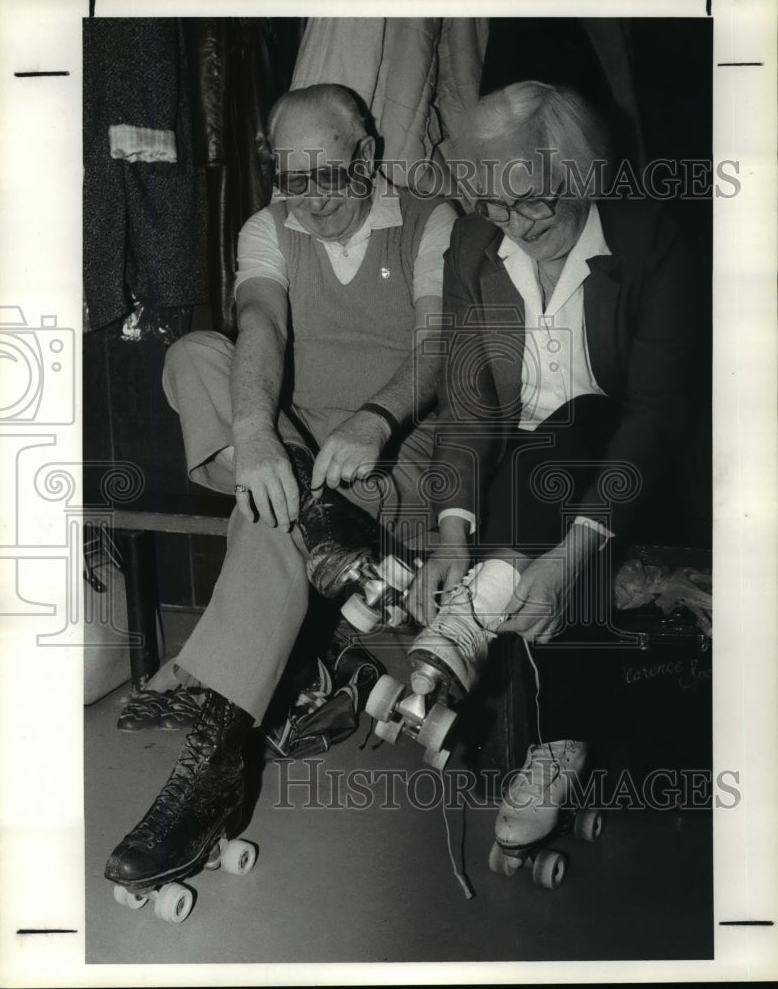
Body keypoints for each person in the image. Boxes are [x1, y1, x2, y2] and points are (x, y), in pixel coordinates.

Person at [105, 84, 457, 891]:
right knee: (195, 350)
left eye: (326, 175)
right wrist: (260, 434)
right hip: (295, 454)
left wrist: (374, 418)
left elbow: (440, 349)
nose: (308, 199)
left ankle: (207, 776)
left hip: (384, 471)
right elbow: (258, 320)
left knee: (265, 517)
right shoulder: (269, 225)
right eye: (290, 179)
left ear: (365, 156)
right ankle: (308, 519)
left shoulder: (430, 223)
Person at [403, 81, 698, 853]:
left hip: (632, 467)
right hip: (522, 474)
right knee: (535, 459)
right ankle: (548, 724)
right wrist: (451, 535)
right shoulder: (474, 244)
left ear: (579, 174)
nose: (515, 223)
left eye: (532, 199)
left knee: (569, 432)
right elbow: (467, 408)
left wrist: (574, 556)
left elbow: (656, 418)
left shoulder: (650, 237)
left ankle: (489, 654)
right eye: (494, 205)